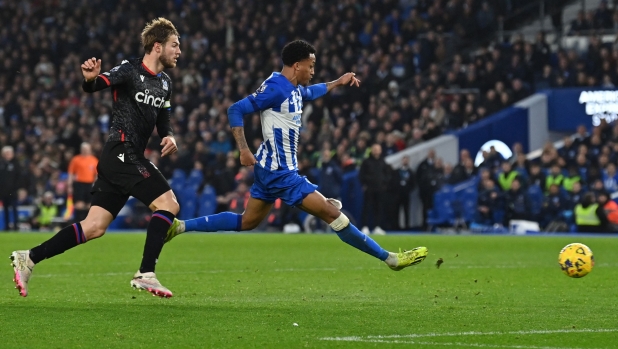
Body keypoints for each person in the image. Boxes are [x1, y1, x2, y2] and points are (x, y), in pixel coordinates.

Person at [164, 40, 427, 270]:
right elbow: (235, 109)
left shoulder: (293, 89)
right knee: (334, 215)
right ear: (297, 65)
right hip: (281, 173)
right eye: (310, 66)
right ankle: (389, 259)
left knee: (247, 221)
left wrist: (338, 82)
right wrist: (243, 149)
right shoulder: (276, 88)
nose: (312, 71)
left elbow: (310, 92)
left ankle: (180, 226)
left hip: (270, 170)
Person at [10, 18, 182, 298]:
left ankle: (29, 258)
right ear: (157, 46)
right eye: (175, 45)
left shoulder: (165, 83)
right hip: (121, 151)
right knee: (168, 204)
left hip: (126, 158)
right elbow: (97, 84)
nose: (179, 52)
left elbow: (164, 118)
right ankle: (146, 273)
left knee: (94, 227)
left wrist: (170, 136)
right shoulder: (130, 69)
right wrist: (90, 80)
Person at [359, 144, 390, 235]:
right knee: (367, 208)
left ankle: (377, 227)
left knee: (379, 208)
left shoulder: (383, 162)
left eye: (378, 149)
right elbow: (361, 175)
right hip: (369, 189)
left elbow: (387, 175)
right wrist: (365, 184)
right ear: (371, 150)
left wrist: (384, 184)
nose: (376, 151)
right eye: (375, 149)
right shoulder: (366, 162)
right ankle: (365, 226)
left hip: (380, 189)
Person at [67, 142, 99, 222]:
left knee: (89, 205)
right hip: (79, 184)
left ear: (90, 150)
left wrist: (96, 186)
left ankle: (87, 223)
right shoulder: (76, 159)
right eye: (84, 149)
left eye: (87, 149)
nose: (85, 151)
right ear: (81, 149)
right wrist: (69, 186)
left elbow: (96, 174)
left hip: (90, 184)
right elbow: (71, 173)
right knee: (79, 204)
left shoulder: (94, 160)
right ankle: (78, 223)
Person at [0, 146, 21, 231]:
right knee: (5, 210)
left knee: (14, 208)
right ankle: (7, 227)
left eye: (9, 153)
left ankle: (16, 226)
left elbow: (19, 178)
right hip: (3, 192)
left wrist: (18, 188)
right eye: (6, 153)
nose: (8, 155)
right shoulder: (1, 164)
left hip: (13, 191)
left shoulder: (16, 164)